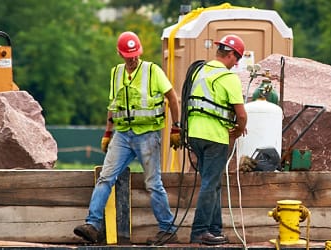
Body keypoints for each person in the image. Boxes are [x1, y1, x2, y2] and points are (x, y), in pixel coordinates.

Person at [74, 31, 180, 245]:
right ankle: (93, 225)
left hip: (147, 135)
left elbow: (172, 97)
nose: (132, 58)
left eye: (135, 54)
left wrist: (175, 128)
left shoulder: (152, 71)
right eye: (128, 55)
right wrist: (107, 132)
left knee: (153, 183)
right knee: (105, 177)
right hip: (122, 135)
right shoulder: (116, 73)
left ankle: (167, 228)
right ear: (120, 53)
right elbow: (113, 106)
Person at [183, 34, 250, 246]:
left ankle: (214, 229)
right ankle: (200, 231)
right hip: (215, 137)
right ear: (229, 54)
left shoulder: (200, 71)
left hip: (195, 134)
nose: (236, 63)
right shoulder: (228, 78)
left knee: (214, 183)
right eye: (236, 58)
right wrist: (239, 130)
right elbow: (241, 115)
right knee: (210, 184)